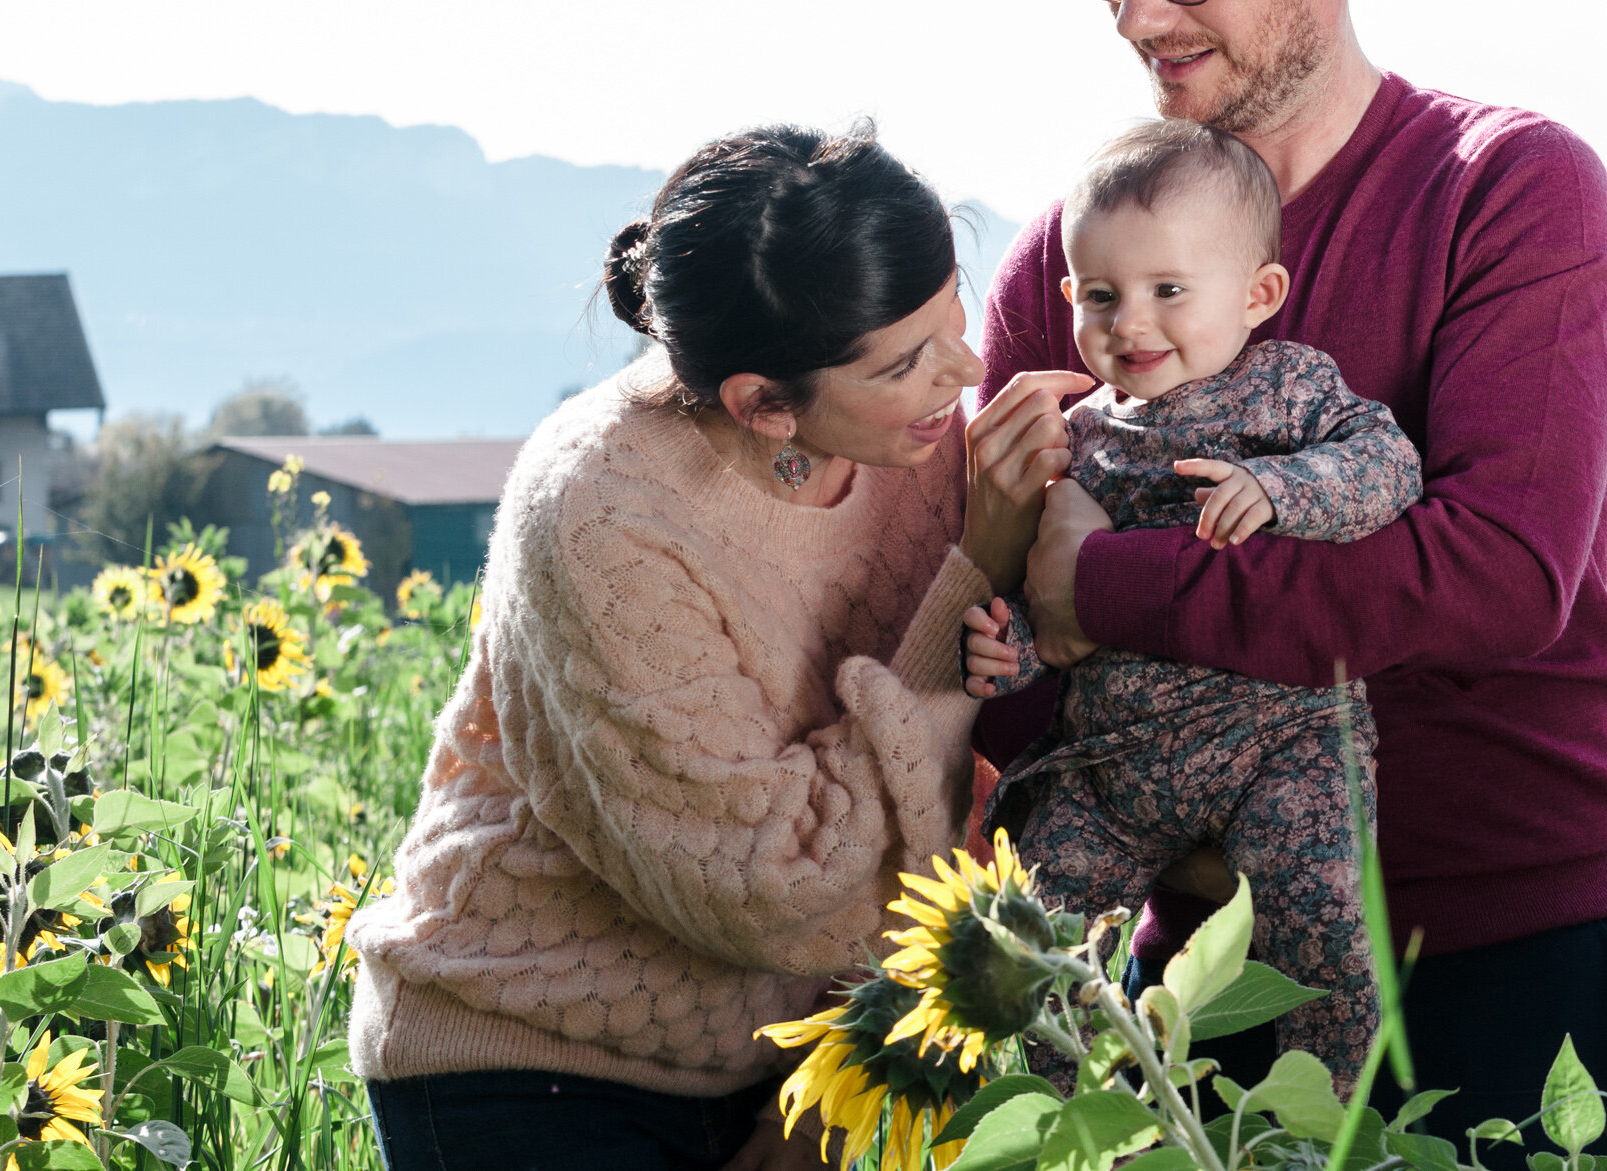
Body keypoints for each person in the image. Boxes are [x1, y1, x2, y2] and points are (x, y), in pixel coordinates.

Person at [973, 0, 1607, 1170]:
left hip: (1503, 948)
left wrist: (1104, 590)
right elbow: (993, 628)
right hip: (1191, 984)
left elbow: (1492, 575)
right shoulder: (1071, 264)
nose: (1137, 13)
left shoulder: (1509, 190)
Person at [349, 123, 1089, 1171]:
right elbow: (771, 878)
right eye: (907, 360)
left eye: (950, 316)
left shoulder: (910, 440)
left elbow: (947, 802)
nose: (962, 369)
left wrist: (842, 1076)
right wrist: (975, 569)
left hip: (784, 1054)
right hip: (533, 1058)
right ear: (761, 403)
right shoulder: (603, 514)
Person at [963, 117, 1422, 1090]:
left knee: (1325, 921)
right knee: (1032, 935)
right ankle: (1064, 1119)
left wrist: (1286, 488)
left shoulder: (1289, 389)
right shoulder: (1080, 435)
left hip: (1279, 746)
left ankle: (1322, 1124)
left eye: (1168, 290)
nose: (1130, 322)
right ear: (1068, 297)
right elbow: (1060, 611)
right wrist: (1012, 649)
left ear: (1258, 294)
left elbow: (1387, 463)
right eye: (1102, 295)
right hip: (1115, 762)